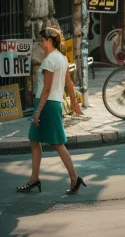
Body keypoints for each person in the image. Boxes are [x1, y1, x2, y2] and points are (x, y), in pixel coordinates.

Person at [17, 27, 86, 195]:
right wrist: (75, 102)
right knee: (35, 140)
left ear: (50, 41)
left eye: (43, 40)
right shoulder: (62, 58)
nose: (41, 43)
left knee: (57, 143)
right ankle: (34, 178)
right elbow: (69, 83)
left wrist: (38, 111)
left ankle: (75, 178)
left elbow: (46, 89)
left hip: (46, 104)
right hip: (52, 103)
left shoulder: (49, 61)